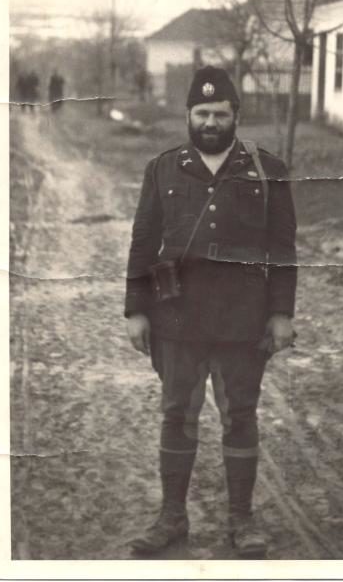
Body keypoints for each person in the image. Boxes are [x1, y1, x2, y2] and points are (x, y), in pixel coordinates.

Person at [125, 65, 297, 558]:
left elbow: (284, 249)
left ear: (235, 116)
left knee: (239, 415)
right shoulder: (162, 168)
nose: (210, 122)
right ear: (188, 115)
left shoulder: (267, 169)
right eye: (201, 113)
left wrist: (281, 313)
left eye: (220, 113)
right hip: (176, 318)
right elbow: (142, 242)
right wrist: (136, 310)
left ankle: (241, 520)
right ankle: (171, 517)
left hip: (244, 319)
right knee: (177, 413)